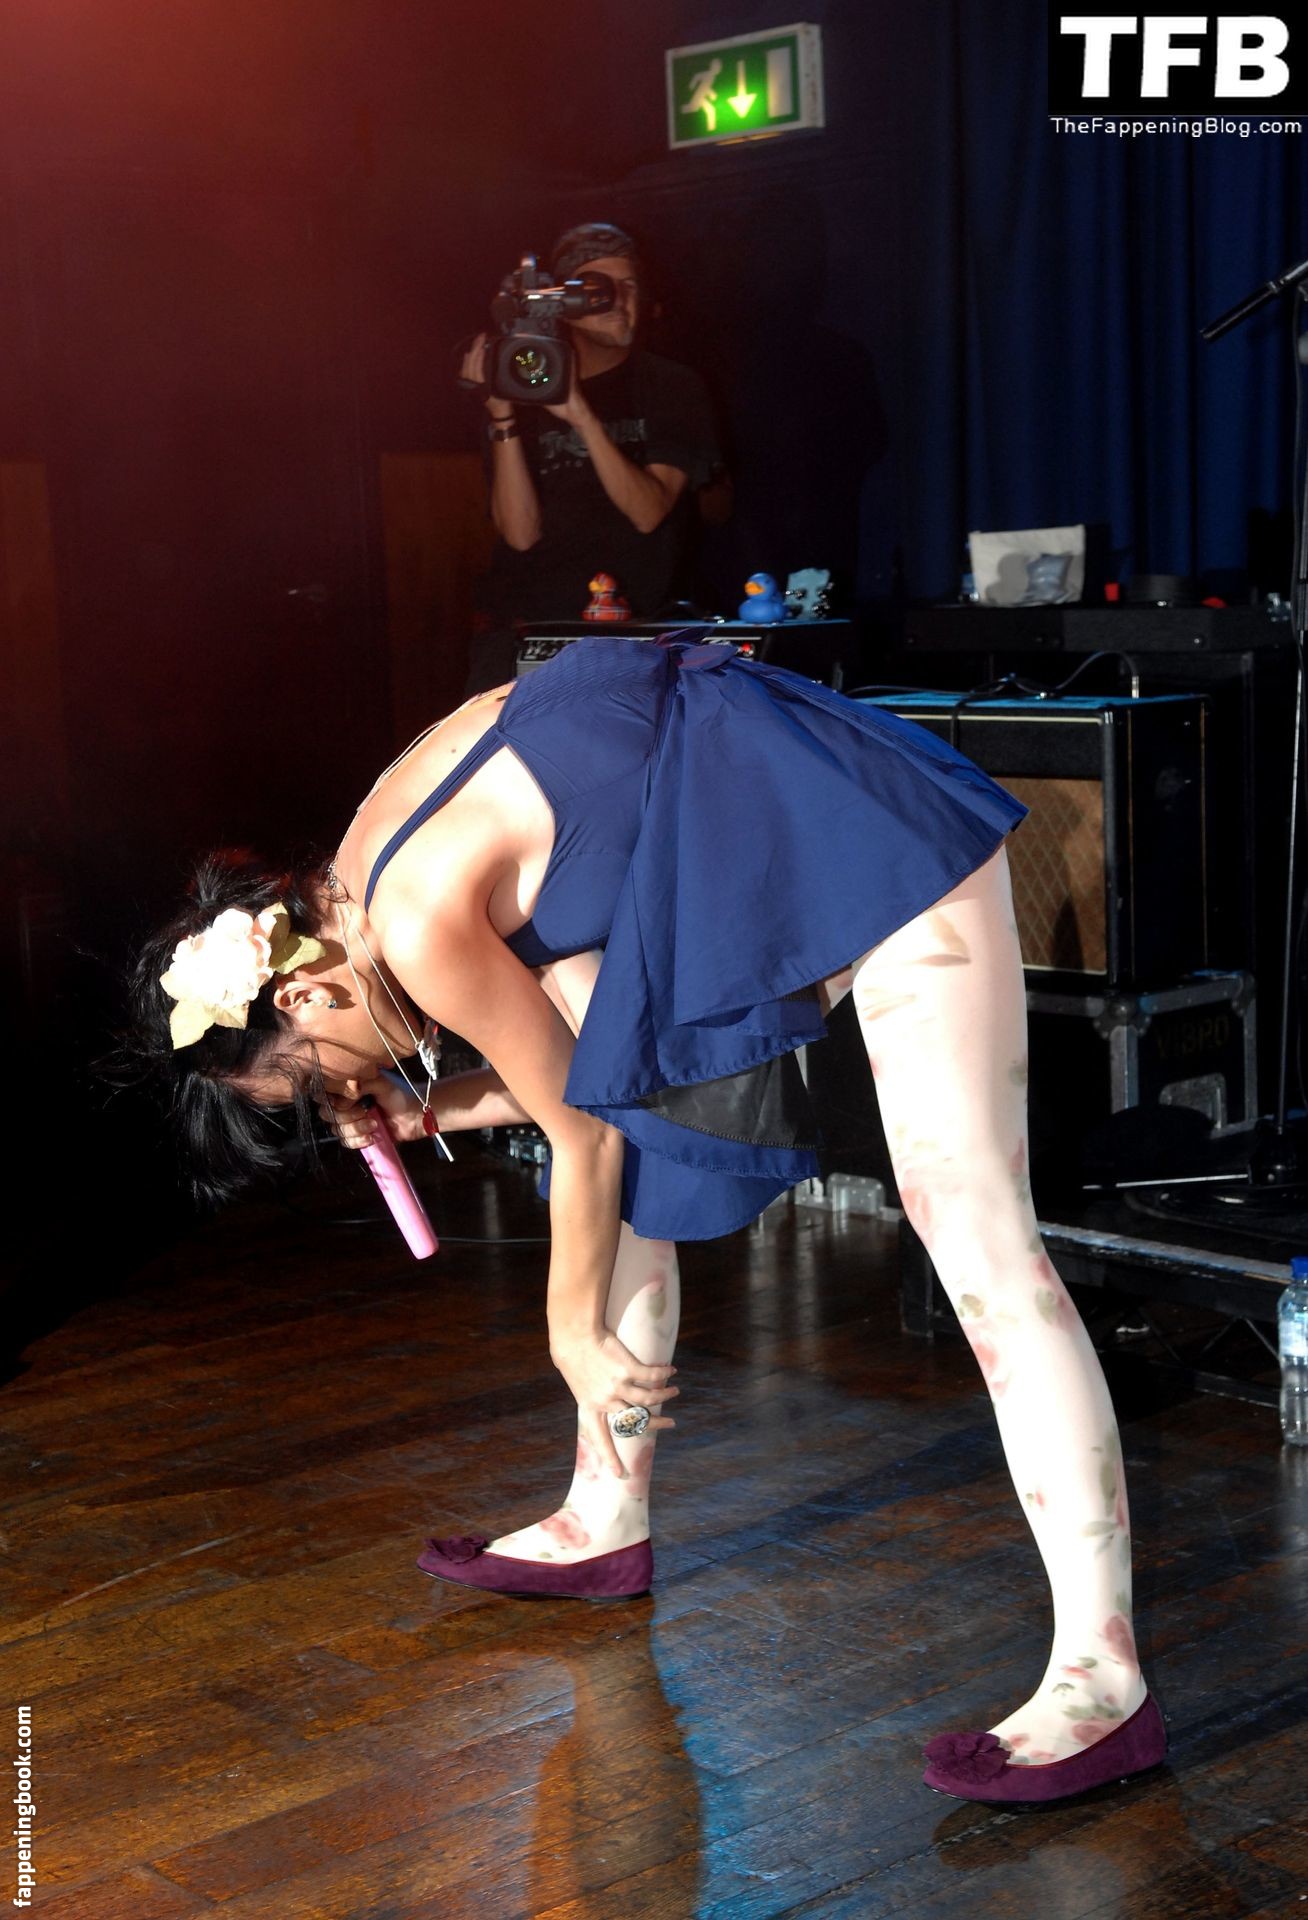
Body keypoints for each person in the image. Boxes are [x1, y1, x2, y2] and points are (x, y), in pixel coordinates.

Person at [129, 637, 1165, 1806]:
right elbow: (592, 1083)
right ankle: (603, 1515)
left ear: (298, 991)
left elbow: (580, 1130)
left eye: (324, 1079)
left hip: (868, 832)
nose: (353, 1091)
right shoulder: (366, 862)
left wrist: (571, 1331)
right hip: (746, 829)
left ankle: (1104, 1677)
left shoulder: (415, 920)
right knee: (627, 1161)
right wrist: (427, 1114)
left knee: (974, 1234)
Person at [462, 223, 722, 693]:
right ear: (566, 304)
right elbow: (520, 534)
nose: (622, 300)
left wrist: (582, 416)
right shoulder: (524, 380)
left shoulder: (670, 386)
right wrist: (501, 415)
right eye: (601, 290)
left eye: (631, 286)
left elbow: (648, 512)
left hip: (637, 638)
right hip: (533, 635)